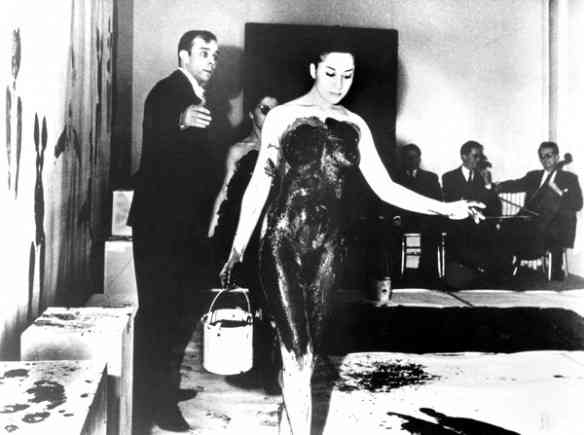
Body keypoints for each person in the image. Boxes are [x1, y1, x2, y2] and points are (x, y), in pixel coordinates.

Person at [219, 43, 484, 435]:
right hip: (282, 242)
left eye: (348, 75)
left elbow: (387, 188)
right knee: (299, 358)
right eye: (330, 73)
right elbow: (261, 182)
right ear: (313, 69)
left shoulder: (356, 124)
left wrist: (447, 208)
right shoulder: (283, 116)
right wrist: (238, 246)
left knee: (304, 359)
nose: (338, 83)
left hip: (328, 251)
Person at [127, 30, 220, 432]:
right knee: (160, 314)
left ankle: (161, 388)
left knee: (178, 310)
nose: (212, 60)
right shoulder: (167, 92)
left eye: (215, 54)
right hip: (161, 227)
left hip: (180, 226)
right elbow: (157, 130)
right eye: (204, 52)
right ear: (183, 55)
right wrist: (180, 121)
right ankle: (155, 405)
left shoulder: (198, 96)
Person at [208, 95, 281, 393]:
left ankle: (271, 371)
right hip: (240, 231)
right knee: (248, 298)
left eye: (274, 110)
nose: (269, 115)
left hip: (271, 233)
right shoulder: (238, 149)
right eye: (264, 110)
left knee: (272, 302)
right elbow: (225, 191)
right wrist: (212, 233)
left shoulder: (284, 151)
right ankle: (249, 365)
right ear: (252, 113)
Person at [496, 141, 582, 280]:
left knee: (552, 230)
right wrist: (497, 186)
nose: (545, 159)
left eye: (549, 155)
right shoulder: (534, 175)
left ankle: (555, 268)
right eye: (542, 156)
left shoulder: (569, 178)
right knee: (506, 226)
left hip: (555, 223)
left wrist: (559, 192)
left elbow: (577, 204)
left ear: (557, 157)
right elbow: (516, 184)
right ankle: (504, 270)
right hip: (532, 220)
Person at [442, 140, 503, 284]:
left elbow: (493, 205)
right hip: (457, 222)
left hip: (478, 223)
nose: (478, 160)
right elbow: (452, 201)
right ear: (464, 156)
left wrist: (488, 186)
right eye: (475, 156)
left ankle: (485, 275)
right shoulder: (449, 177)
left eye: (480, 156)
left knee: (493, 232)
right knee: (464, 233)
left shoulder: (483, 177)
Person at [392, 143, 443, 284]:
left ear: (419, 159)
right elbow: (390, 203)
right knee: (391, 234)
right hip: (403, 219)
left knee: (432, 234)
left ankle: (428, 276)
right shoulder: (395, 177)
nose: (412, 160)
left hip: (425, 219)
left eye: (415, 157)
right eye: (408, 157)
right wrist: (396, 218)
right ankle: (399, 276)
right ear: (403, 159)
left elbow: (438, 201)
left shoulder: (431, 178)